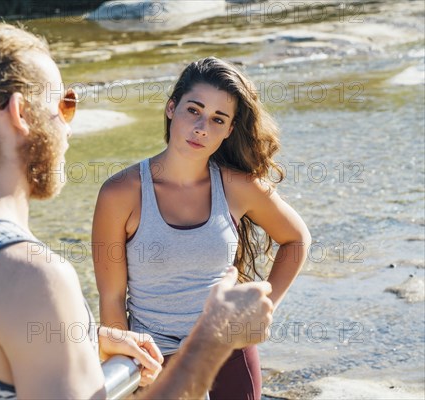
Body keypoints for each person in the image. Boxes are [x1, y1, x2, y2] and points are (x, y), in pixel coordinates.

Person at [0, 22, 274, 399]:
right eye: (65, 103)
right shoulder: (31, 275)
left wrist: (85, 340)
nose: (69, 127)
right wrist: (210, 338)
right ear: (21, 114)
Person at [93, 57, 311, 399]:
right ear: (171, 108)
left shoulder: (238, 186)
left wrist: (261, 311)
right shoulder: (120, 193)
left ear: (228, 130)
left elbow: (296, 239)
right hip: (154, 359)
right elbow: (112, 296)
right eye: (193, 110)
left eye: (217, 119)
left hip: (229, 352)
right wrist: (129, 361)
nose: (201, 128)